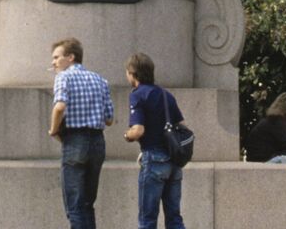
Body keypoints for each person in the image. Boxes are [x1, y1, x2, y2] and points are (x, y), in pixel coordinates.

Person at [48, 36, 113, 229]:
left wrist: (53, 129)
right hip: (97, 142)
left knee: (74, 205)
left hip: (75, 140)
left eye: (56, 57)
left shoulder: (63, 77)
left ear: (71, 57)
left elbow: (59, 107)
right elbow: (109, 119)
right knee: (87, 203)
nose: (53, 62)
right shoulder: (100, 80)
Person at [123, 52, 185, 229]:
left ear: (133, 72)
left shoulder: (137, 95)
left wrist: (126, 135)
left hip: (154, 160)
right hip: (174, 162)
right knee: (174, 218)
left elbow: (138, 130)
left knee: (147, 219)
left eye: (127, 72)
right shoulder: (166, 95)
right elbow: (182, 125)